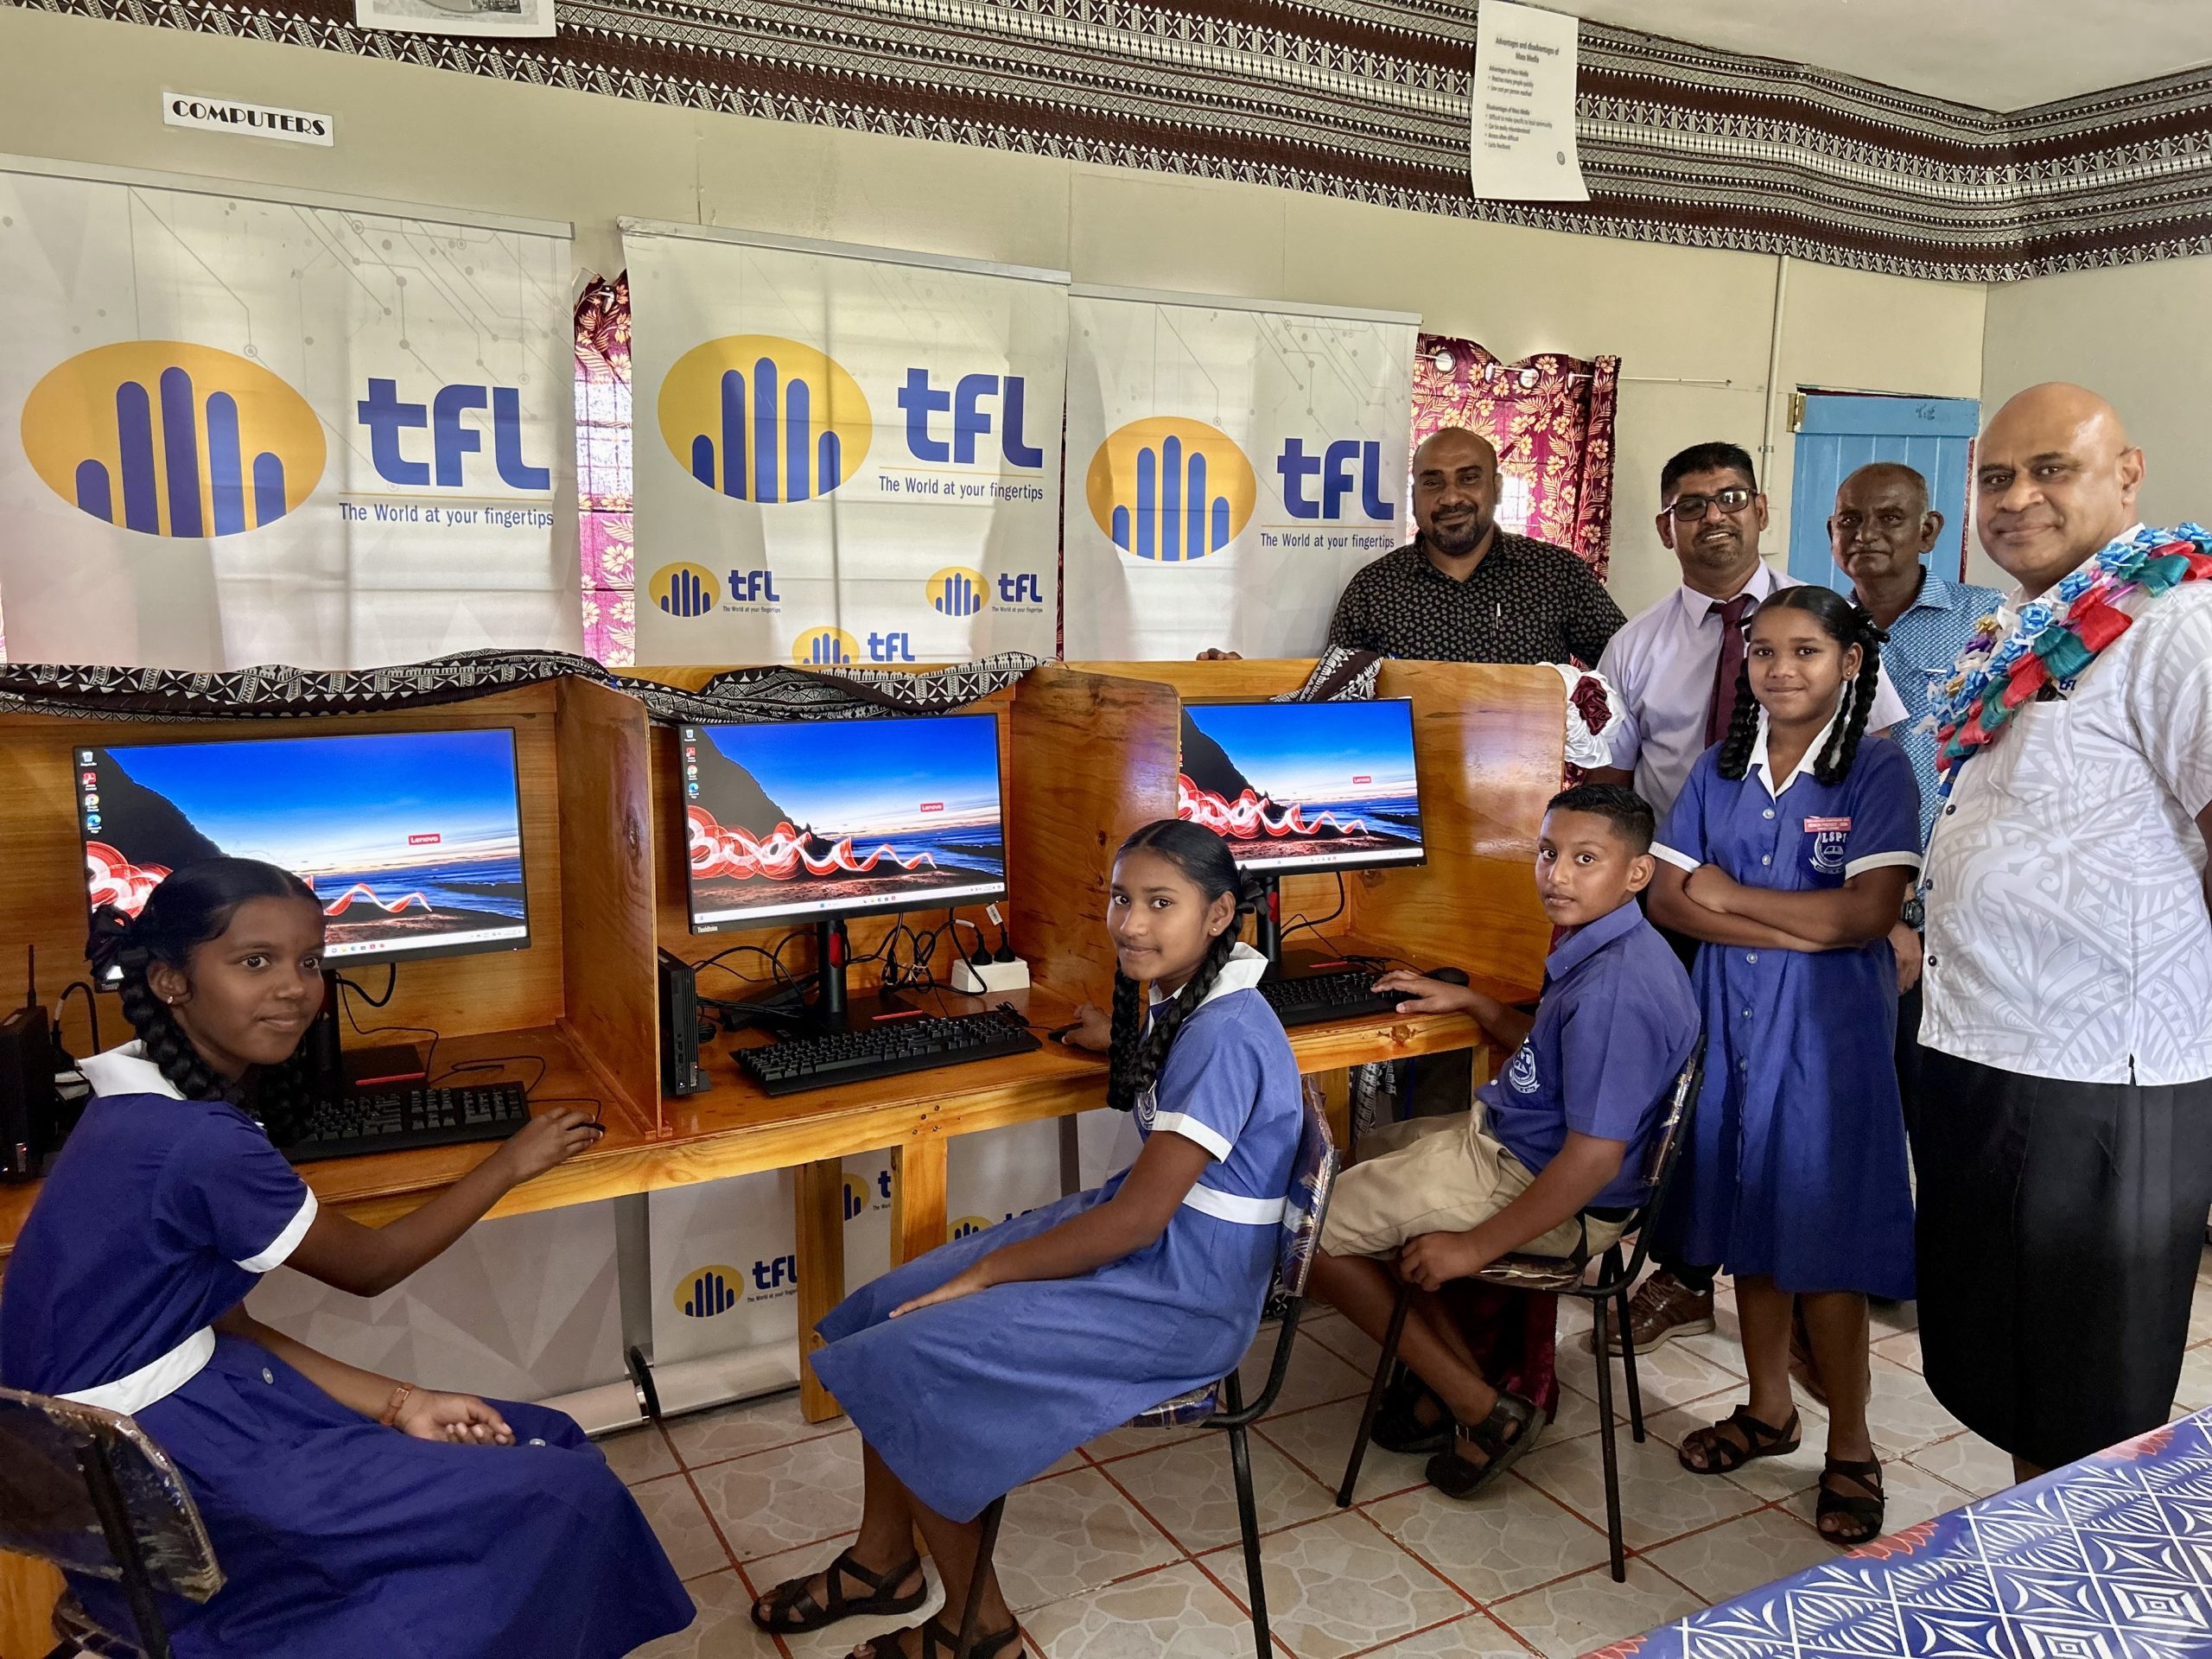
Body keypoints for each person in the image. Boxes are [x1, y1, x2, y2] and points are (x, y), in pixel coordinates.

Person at [0, 858, 693, 1658]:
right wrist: (510, 1162)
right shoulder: (195, 1143)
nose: (296, 987)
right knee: (563, 1493)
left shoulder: (129, 1100)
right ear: (170, 980)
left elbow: (228, 1323)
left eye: (310, 962)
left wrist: (404, 1402)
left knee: (543, 1437)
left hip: (149, 1429)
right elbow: (370, 1266)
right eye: (254, 962)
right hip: (161, 1463)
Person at [753, 818, 1300, 1659]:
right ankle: (882, 1562)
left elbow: (1136, 1221)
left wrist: (990, 1276)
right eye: (1121, 899)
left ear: (1220, 914)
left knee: (904, 1357)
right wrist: (1117, 1040)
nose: (1131, 924)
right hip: (1160, 1258)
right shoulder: (1199, 1000)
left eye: (1161, 904)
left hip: (1182, 1296)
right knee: (886, 1309)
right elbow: (1176, 1079)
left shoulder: (1228, 1031)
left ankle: (979, 1631)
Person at [1916, 384, 2212, 1484]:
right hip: (1990, 1050)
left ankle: (2074, 1608)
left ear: (2126, 475)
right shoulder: (2033, 626)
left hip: (2103, 1083)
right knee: (2014, 1365)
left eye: (2052, 470)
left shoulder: (2178, 627)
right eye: (1995, 477)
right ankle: (2031, 1571)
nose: (2017, 498)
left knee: (2088, 1396)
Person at [1590, 441, 1909, 1357]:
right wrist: (1697, 903)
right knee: (1697, 1111)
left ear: (1761, 509)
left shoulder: (1826, 622)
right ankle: (1688, 1272)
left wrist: (1876, 919)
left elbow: (1870, 793)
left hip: (1801, 935)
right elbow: (1620, 797)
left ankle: (1815, 1300)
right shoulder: (1635, 645)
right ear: (1667, 527)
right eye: (1690, 505)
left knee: (1810, 1135)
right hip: (1681, 909)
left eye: (1730, 497)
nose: (1712, 516)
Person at [1305, 784, 1699, 1500]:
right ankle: (1464, 1390)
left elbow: (1593, 1157)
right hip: (1512, 1145)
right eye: (1548, 853)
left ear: (1637, 873)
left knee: (1311, 1231)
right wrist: (1477, 1004)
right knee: (1361, 1164)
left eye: (1586, 859)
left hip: (1548, 1183)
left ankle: (1480, 1409)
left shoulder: (1617, 990)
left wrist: (1472, 1248)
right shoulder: (1609, 946)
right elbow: (1560, 1069)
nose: (1558, 875)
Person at [1649, 586, 1922, 1545]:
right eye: (1762, 652)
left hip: (1827, 1043)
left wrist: (1733, 896)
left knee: (1827, 1246)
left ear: (1848, 665)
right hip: (1728, 1029)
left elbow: (1866, 915)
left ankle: (1851, 1443)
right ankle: (1769, 1410)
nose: (1779, 669)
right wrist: (1783, 918)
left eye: (1804, 651)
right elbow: (1667, 900)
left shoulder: (1877, 772)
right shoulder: (1717, 776)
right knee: (1744, 1224)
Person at [1827, 461, 2001, 1122]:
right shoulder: (1816, 632)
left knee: (1963, 1117)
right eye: (1851, 520)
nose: (1867, 534)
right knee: (1866, 1109)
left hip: (1971, 920)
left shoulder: (1989, 624)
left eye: (1890, 518)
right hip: (1862, 916)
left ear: (1928, 531)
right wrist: (1888, 916)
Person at [1201, 426, 1624, 664]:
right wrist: (1244, 682)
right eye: (1433, 481)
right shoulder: (1375, 590)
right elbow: (1336, 704)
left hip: (1536, 809)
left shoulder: (1556, 575)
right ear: (1415, 497)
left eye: (1469, 477)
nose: (1451, 497)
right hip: (1411, 808)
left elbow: (1628, 674)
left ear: (1496, 488)